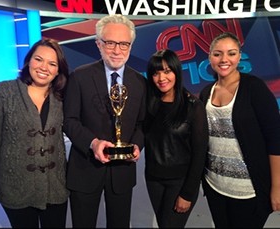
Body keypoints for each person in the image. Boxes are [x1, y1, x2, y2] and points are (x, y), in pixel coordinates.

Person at [63, 14, 146, 228]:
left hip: (122, 172)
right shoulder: (79, 77)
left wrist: (136, 144)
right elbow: (70, 121)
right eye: (110, 43)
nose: (117, 50)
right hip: (84, 169)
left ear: (131, 45)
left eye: (124, 44)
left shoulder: (139, 82)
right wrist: (93, 143)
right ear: (98, 44)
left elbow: (142, 124)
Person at [0, 38, 70, 228]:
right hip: (15, 185)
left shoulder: (62, 96)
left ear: (58, 70)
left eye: (52, 64)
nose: (44, 67)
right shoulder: (5, 91)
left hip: (55, 185)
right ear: (29, 61)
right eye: (39, 59)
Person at [199, 32, 280, 228]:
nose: (224, 59)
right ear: (210, 57)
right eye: (217, 54)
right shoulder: (206, 93)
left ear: (239, 56)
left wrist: (277, 187)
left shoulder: (254, 88)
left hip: (248, 191)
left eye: (231, 53)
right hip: (215, 186)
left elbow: (275, 139)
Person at [143, 49, 208, 228]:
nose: (161, 78)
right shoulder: (148, 104)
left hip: (180, 183)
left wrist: (187, 193)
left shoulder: (194, 107)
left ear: (176, 72)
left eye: (167, 71)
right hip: (153, 180)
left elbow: (200, 153)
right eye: (156, 73)